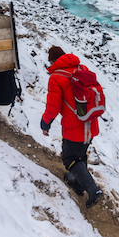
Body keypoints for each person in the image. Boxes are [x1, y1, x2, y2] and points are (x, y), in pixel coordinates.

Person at [40, 46, 103, 208]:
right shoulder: (82, 68)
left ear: (53, 61)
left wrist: (45, 123)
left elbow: (53, 107)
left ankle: (92, 190)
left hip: (74, 126)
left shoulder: (56, 78)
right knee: (80, 155)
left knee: (70, 159)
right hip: (91, 121)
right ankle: (78, 184)